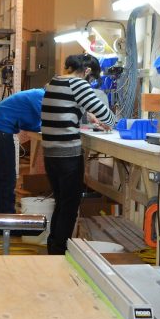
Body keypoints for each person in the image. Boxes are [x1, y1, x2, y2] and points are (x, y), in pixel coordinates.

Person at [40, 54, 116, 255]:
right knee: (70, 206)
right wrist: (113, 122)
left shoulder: (54, 82)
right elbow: (105, 114)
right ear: (87, 71)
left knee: (61, 203)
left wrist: (89, 117)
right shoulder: (78, 83)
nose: (90, 83)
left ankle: (54, 248)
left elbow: (66, 108)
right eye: (91, 79)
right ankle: (59, 252)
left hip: (51, 154)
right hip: (68, 155)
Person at [0, 88, 45, 214]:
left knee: (2, 174)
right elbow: (47, 121)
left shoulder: (37, 95)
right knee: (8, 175)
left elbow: (31, 124)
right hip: (0, 129)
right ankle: (7, 214)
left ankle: (2, 212)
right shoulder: (42, 96)